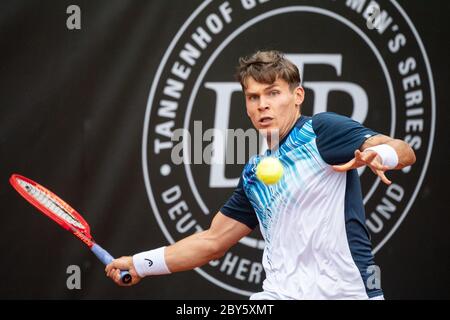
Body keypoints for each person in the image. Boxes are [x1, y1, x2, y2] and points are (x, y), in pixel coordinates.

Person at [105, 50, 416, 299]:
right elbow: (212, 242)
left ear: (298, 96)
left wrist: (381, 154)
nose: (262, 105)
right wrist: (140, 264)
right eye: (253, 97)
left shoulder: (321, 130)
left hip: (347, 294)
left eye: (273, 93)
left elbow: (403, 150)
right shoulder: (255, 174)